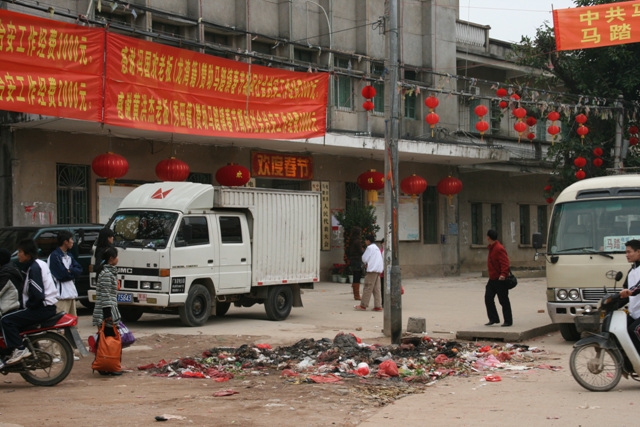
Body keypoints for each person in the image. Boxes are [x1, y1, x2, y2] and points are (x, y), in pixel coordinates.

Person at [0, 239, 58, 367]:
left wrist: (29, 307)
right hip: (46, 306)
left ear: (28, 254)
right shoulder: (38, 264)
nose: (18, 255)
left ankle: (19, 349)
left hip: (41, 308)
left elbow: (37, 294)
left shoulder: (34, 268)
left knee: (6, 320)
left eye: (20, 252)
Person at [92, 246, 122, 376]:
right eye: (116, 256)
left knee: (106, 341)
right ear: (111, 258)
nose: (118, 258)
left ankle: (106, 365)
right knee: (108, 342)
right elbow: (106, 295)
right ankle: (107, 366)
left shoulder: (109, 272)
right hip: (106, 312)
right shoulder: (106, 274)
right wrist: (108, 315)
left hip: (109, 310)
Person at [610, 240, 640, 354]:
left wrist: (631, 292)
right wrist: (611, 303)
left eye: (629, 252)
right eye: (626, 252)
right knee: (618, 330)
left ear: (638, 252)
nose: (626, 255)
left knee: (634, 330)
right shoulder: (632, 271)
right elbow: (625, 294)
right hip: (635, 313)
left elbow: (637, 287)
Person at [48, 230, 82, 317]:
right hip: (60, 297)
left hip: (71, 294)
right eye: (71, 239)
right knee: (61, 322)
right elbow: (62, 275)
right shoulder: (54, 256)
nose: (72, 241)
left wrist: (70, 271)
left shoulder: (69, 255)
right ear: (65, 242)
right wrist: (70, 272)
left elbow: (79, 269)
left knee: (72, 322)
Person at [484, 229, 512, 327]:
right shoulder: (492, 247)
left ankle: (508, 320)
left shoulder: (499, 248)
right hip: (492, 279)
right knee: (488, 298)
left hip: (500, 279)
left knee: (503, 300)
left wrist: (503, 274)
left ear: (488, 237)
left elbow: (505, 263)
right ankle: (493, 318)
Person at [355, 234, 383, 312]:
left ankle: (363, 305)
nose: (365, 242)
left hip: (371, 270)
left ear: (368, 241)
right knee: (376, 289)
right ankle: (378, 305)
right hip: (378, 270)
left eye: (366, 240)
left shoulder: (370, 248)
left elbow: (364, 258)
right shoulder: (377, 248)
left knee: (367, 287)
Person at [347, 227, 363, 301]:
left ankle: (355, 294)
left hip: (353, 260)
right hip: (357, 261)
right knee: (357, 277)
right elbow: (360, 251)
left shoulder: (352, 241)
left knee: (355, 277)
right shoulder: (357, 241)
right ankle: (357, 295)